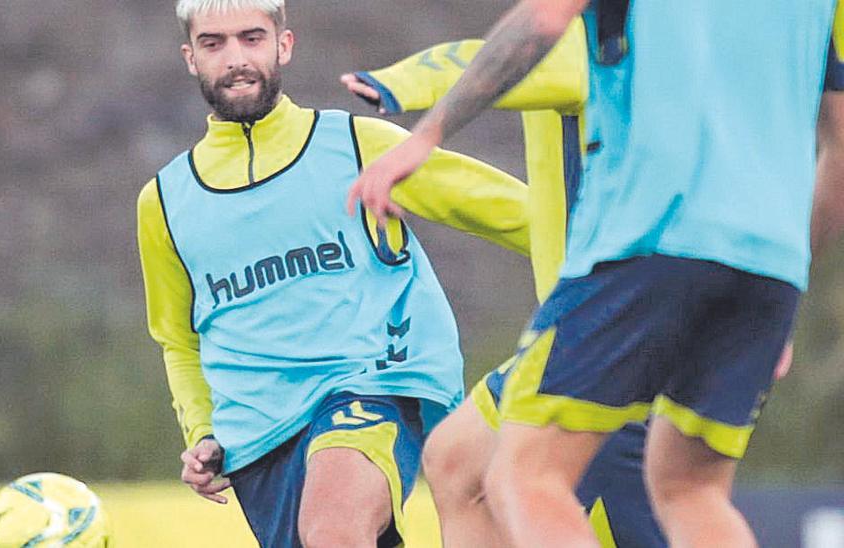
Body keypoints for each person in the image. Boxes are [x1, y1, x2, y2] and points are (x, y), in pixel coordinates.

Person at [347, 1, 844, 546]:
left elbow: (541, 22)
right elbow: (840, 144)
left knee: (525, 475)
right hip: (768, 263)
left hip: (648, 239)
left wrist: (425, 133)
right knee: (690, 490)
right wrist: (787, 282)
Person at [137, 1, 534, 545]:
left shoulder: (355, 143)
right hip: (257, 438)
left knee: (332, 530)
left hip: (372, 385)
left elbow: (513, 212)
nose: (235, 58)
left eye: (251, 38)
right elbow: (179, 341)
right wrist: (202, 430)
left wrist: (620, 267)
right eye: (214, 43)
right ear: (190, 57)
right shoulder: (164, 201)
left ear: (284, 45)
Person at [340, 21, 664, 547]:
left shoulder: (599, 38)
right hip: (579, 326)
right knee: (456, 459)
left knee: (641, 511)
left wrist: (403, 83)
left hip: (619, 327)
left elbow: (525, 57)